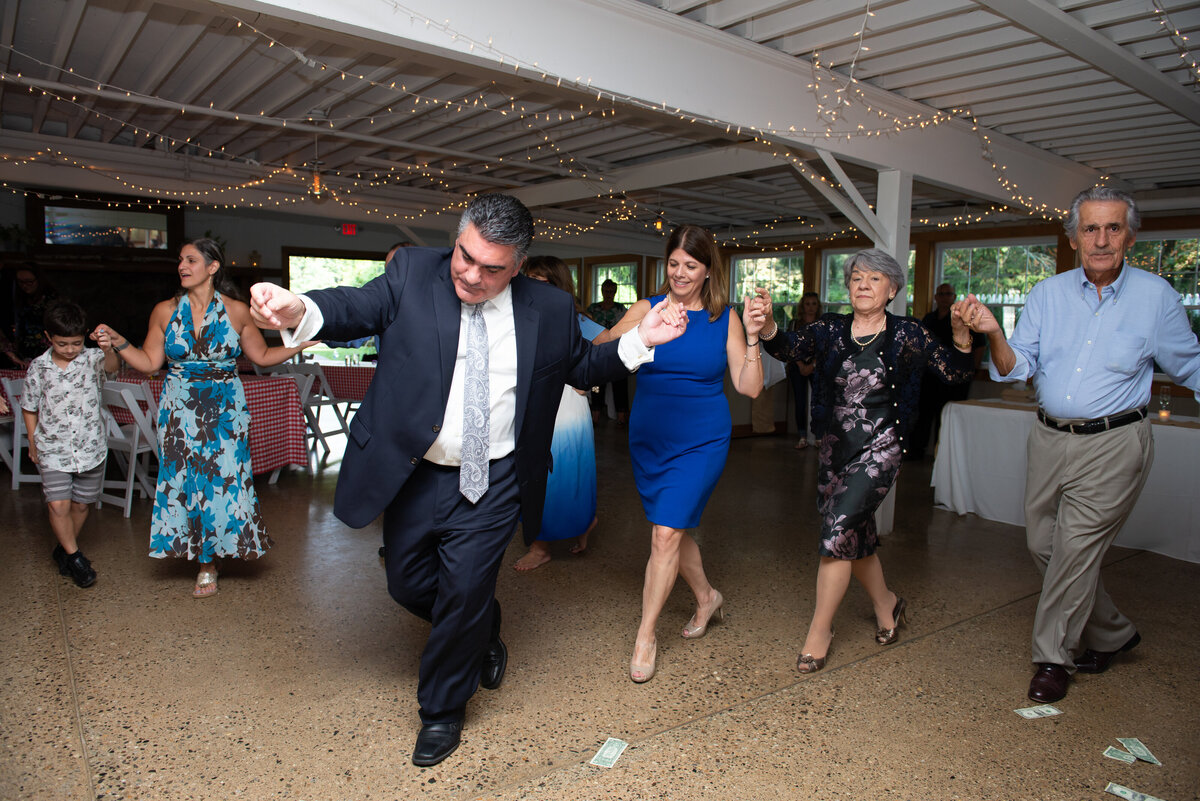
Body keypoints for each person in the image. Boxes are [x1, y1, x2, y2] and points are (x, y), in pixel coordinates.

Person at [246, 194, 686, 767]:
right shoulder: (411, 273)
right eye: (465, 256)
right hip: (418, 472)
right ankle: (480, 627)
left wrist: (640, 342)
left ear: (519, 266)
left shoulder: (548, 309)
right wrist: (295, 307)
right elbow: (354, 306)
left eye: (492, 268)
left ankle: (442, 710)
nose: (472, 275)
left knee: (464, 590)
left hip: (497, 477)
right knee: (405, 583)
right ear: (457, 240)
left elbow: (580, 365)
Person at [961, 186, 1200, 704]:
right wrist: (992, 332)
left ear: (1129, 237)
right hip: (1049, 439)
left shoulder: (1156, 297)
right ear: (1073, 238)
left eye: (1113, 228)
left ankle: (1052, 658)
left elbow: (1191, 365)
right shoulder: (1047, 294)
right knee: (1042, 544)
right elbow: (1015, 368)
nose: (1101, 239)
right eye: (1090, 228)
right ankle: (1113, 633)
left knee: (1073, 549)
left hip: (1116, 443)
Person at [757, 249, 975, 674]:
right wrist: (767, 324)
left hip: (882, 447)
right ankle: (888, 605)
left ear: (891, 289)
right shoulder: (831, 329)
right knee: (856, 538)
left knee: (837, 533)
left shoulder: (909, 333)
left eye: (874, 279)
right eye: (857, 277)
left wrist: (963, 336)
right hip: (835, 448)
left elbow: (955, 373)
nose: (862, 284)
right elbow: (790, 347)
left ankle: (819, 632)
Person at [92, 238, 310, 598]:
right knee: (187, 482)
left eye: (191, 260)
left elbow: (263, 355)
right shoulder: (164, 310)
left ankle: (214, 555)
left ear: (212, 267)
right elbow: (149, 364)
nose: (182, 266)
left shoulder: (238, 311)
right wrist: (118, 342)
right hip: (178, 408)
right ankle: (205, 560)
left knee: (224, 480)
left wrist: (301, 344)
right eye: (180, 260)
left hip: (224, 409)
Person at [597, 224, 768, 683]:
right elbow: (598, 351)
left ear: (708, 270)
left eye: (690, 266)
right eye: (673, 263)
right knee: (668, 528)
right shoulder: (648, 308)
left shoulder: (724, 319)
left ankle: (646, 636)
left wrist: (753, 337)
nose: (679, 273)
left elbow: (749, 387)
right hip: (651, 434)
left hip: (701, 439)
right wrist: (634, 336)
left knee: (665, 534)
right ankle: (707, 595)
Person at [513, 256, 605, 571]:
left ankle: (541, 548)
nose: (532, 287)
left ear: (556, 284)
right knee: (554, 472)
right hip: (536, 402)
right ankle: (582, 524)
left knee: (556, 472)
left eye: (540, 281)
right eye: (528, 279)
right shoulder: (521, 315)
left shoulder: (574, 319)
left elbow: (611, 347)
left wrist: (591, 383)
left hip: (564, 405)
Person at [20, 300, 118, 588]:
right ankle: (76, 559)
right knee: (58, 505)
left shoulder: (92, 359)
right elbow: (29, 406)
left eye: (75, 343)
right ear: (48, 337)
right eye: (62, 344)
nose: (70, 349)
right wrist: (33, 441)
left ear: (84, 335)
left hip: (90, 447)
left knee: (81, 506)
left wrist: (108, 349)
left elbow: (113, 369)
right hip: (53, 447)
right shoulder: (38, 367)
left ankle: (63, 549)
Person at [907, 283, 985, 459]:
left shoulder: (962, 318)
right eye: (940, 294)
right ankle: (916, 452)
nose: (944, 297)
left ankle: (944, 456)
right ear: (936, 297)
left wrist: (975, 367)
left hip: (954, 378)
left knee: (948, 417)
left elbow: (979, 345)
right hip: (929, 377)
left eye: (948, 294)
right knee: (924, 415)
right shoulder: (929, 319)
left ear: (953, 296)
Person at [585, 278, 630, 424]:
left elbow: (628, 328)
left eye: (611, 291)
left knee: (620, 384)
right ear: (602, 291)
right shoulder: (593, 308)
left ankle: (622, 416)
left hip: (617, 351)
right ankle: (595, 414)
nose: (608, 294)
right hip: (597, 350)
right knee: (596, 385)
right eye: (606, 291)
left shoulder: (620, 309)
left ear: (615, 292)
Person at [786, 292, 821, 449]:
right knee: (800, 401)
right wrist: (801, 365)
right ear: (802, 306)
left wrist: (812, 365)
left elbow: (825, 348)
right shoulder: (795, 324)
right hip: (797, 366)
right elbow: (790, 347)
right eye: (807, 304)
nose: (811, 307)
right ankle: (802, 436)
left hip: (817, 366)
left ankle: (819, 436)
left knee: (818, 401)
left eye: (814, 304)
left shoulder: (822, 324)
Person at [13, 264, 57, 362]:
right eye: (20, 282)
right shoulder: (20, 298)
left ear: (38, 280)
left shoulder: (52, 300)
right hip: (23, 351)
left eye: (29, 282)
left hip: (46, 350)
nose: (24, 286)